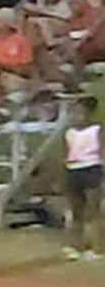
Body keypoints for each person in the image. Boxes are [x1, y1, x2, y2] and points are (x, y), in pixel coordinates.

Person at [63, 96, 102, 261]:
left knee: (92, 211)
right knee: (76, 211)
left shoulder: (97, 130)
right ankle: (75, 246)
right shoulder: (69, 132)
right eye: (75, 112)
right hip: (73, 170)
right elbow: (66, 153)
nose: (78, 116)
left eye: (82, 112)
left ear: (89, 113)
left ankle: (97, 247)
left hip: (91, 168)